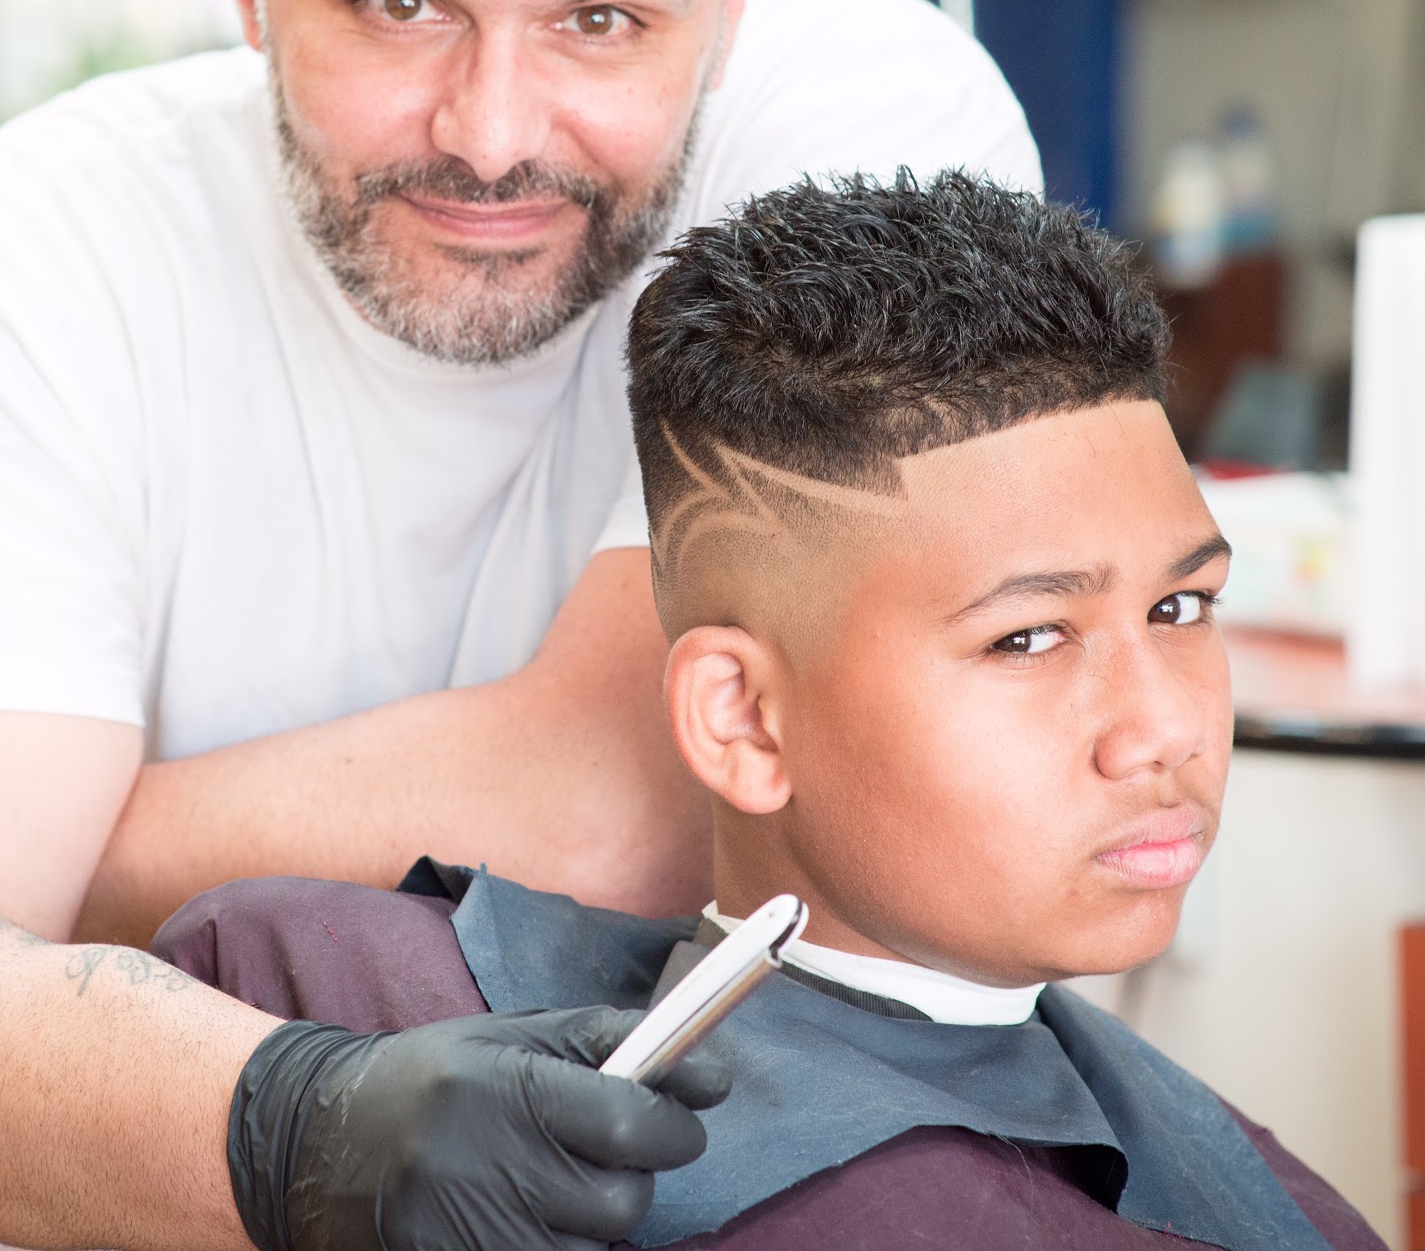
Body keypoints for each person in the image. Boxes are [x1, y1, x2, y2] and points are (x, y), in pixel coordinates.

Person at [0, 0, 1041, 1245]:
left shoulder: (873, 124)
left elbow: (629, 797)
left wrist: (38, 872)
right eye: (398, 1)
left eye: (602, 16)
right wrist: (287, 1132)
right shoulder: (41, 251)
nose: (490, 129)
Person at [153, 174, 1384, 1250]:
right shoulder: (301, 997)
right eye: (1026, 637)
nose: (1161, 729)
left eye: (1182, 608)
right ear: (740, 719)